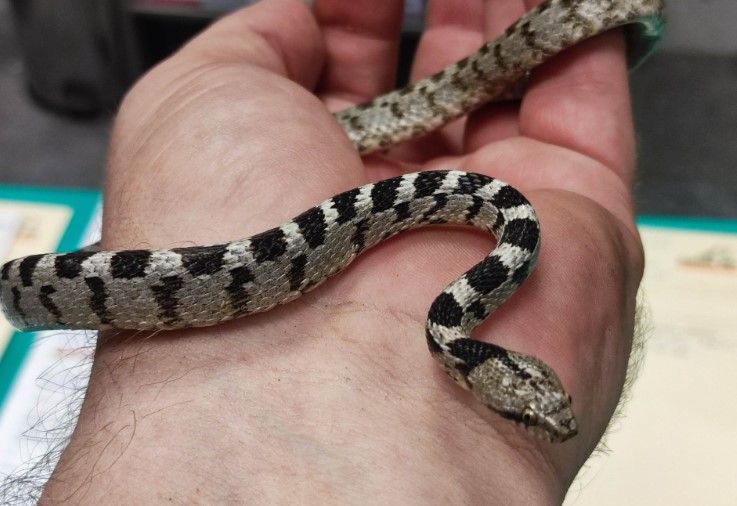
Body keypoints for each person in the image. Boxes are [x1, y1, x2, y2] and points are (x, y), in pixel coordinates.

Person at [39, 0, 645, 503]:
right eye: (529, 415)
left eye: (534, 413)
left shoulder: (502, 247)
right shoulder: (470, 295)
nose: (555, 423)